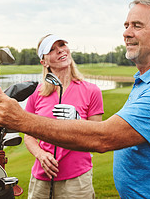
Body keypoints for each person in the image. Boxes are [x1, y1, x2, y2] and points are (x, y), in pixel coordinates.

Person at [0, 0, 150, 198]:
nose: (126, 33)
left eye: (137, 25)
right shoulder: (145, 82)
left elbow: (103, 137)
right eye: (126, 25)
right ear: (44, 61)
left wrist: (21, 120)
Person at [23, 34, 104, 198]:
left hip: (77, 179)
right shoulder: (36, 94)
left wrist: (78, 120)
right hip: (42, 176)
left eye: (62, 45)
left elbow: (97, 137)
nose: (60, 50)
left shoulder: (91, 91)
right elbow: (29, 136)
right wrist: (41, 155)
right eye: (52, 49)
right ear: (44, 62)